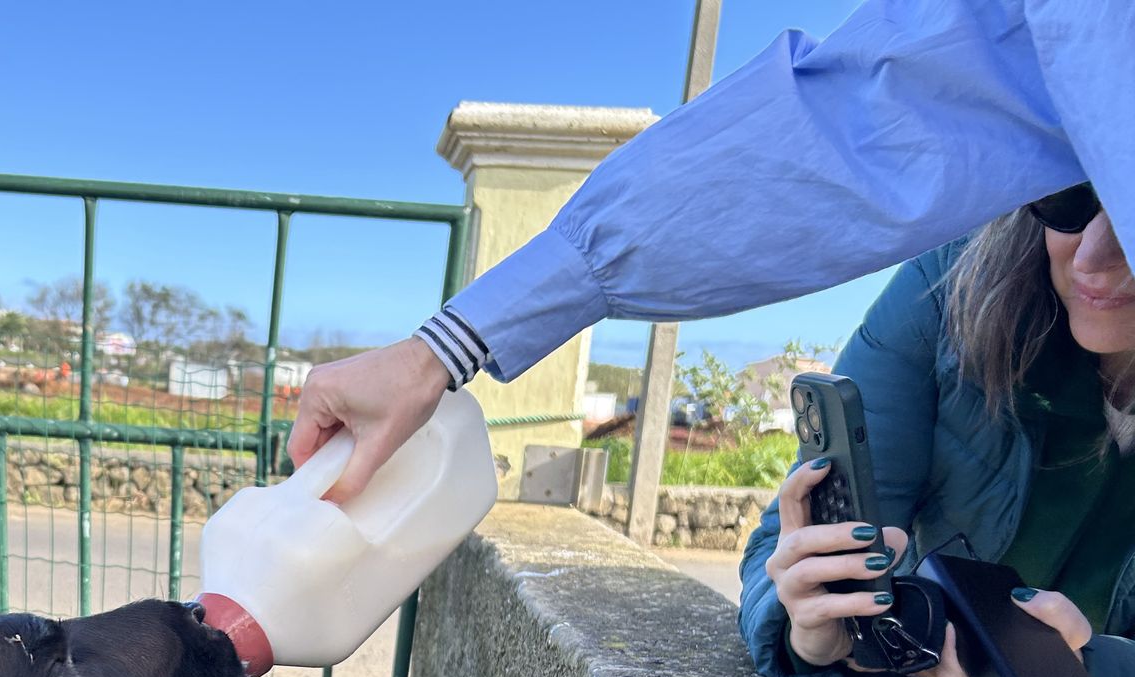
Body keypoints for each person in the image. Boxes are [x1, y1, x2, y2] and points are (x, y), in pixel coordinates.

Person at [287, 0, 1133, 503]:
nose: (1096, 259)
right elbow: (876, 119)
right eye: (1059, 202)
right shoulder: (941, 305)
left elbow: (878, 122)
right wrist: (446, 346)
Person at [739, 188, 1135, 677]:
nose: (1091, 257)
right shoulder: (947, 284)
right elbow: (779, 545)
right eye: (1069, 199)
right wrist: (808, 626)